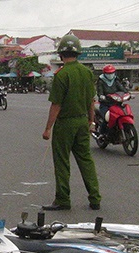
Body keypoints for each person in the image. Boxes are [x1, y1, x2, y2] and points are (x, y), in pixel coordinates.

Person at [42, 34, 101, 211]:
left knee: (62, 162)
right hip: (83, 121)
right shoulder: (87, 73)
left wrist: (47, 129)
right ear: (78, 53)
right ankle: (95, 198)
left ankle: (63, 199)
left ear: (61, 54)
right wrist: (91, 121)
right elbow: (91, 101)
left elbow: (56, 105)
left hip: (65, 124)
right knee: (86, 160)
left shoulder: (62, 75)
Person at [96, 64, 129, 135]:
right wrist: (101, 96)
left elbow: (121, 88)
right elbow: (99, 90)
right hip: (105, 104)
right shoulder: (101, 81)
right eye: (108, 73)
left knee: (122, 114)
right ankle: (102, 134)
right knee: (106, 118)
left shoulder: (115, 80)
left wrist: (127, 93)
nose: (110, 75)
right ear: (104, 73)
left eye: (112, 73)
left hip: (116, 103)